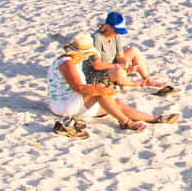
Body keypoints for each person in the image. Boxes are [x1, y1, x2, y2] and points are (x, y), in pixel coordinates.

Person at [46, 32, 177, 136]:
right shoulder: (67, 63)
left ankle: (154, 118)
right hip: (62, 104)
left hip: (69, 101)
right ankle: (125, 122)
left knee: (116, 104)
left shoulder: (72, 60)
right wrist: (100, 90)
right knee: (101, 92)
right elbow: (78, 87)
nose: (87, 57)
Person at [92, 11, 178, 97]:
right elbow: (97, 65)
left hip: (113, 65)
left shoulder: (115, 36)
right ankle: (134, 84)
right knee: (119, 72)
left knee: (134, 50)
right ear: (107, 27)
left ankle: (147, 79)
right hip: (100, 71)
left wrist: (126, 64)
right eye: (116, 31)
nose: (117, 33)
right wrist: (118, 66)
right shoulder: (97, 38)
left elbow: (120, 56)